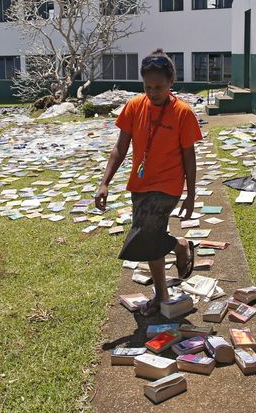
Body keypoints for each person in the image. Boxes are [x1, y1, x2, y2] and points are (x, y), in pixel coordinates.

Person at [95, 50, 203, 317]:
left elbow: (189, 156)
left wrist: (190, 195)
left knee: (146, 235)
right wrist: (104, 182)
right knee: (151, 237)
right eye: (148, 87)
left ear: (171, 83)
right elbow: (120, 148)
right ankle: (168, 276)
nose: (153, 92)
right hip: (140, 184)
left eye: (159, 87)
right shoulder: (134, 107)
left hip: (168, 185)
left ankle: (176, 255)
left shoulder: (183, 113)